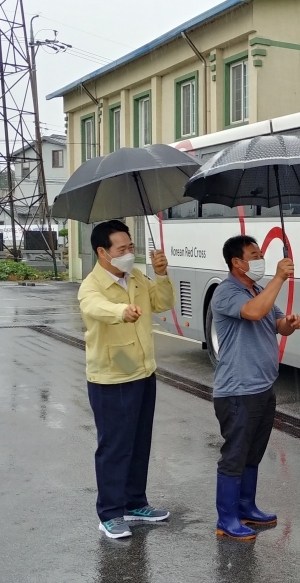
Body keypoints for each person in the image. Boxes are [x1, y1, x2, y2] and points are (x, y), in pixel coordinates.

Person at [78, 219, 175, 539]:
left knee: (138, 442)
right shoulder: (91, 285)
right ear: (102, 252)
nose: (129, 253)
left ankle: (135, 503)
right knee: (115, 447)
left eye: (131, 247)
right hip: (111, 376)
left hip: (143, 371)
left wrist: (161, 275)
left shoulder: (135, 277)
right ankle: (109, 512)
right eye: (122, 249)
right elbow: (96, 308)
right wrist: (121, 312)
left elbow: (162, 303)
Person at [210, 235, 300, 540]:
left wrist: (290, 322)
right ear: (237, 262)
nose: (260, 258)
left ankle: (246, 507)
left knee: (253, 453)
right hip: (238, 390)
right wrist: (279, 276)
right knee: (235, 455)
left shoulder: (258, 290)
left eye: (261, 253)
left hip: (262, 388)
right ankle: (226, 518)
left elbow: (277, 323)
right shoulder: (226, 293)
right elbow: (253, 312)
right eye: (254, 254)